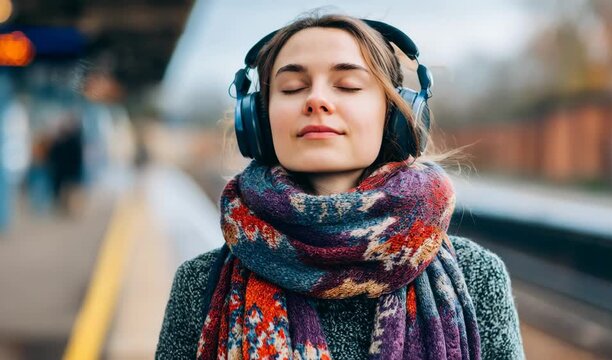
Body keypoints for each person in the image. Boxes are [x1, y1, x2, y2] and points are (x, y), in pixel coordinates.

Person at [156, 13, 525, 360]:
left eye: (348, 85)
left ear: (396, 114)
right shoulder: (198, 284)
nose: (316, 100)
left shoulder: (478, 274)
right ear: (258, 119)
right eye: (293, 87)